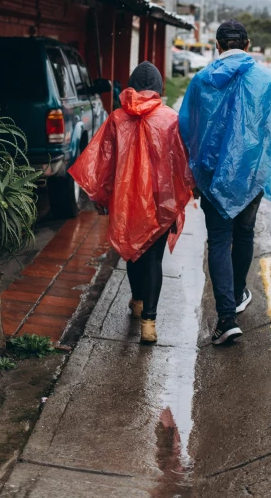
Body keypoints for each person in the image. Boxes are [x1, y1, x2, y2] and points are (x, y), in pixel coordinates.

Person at [179, 19, 271, 345]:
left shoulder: (200, 81)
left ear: (217, 46)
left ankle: (226, 317)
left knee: (218, 240)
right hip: (251, 175)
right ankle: (238, 294)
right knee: (243, 235)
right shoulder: (266, 80)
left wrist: (191, 175)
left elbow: (189, 133)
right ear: (249, 44)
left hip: (212, 177)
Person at [69, 61, 194, 345]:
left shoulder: (116, 119)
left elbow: (104, 162)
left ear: (131, 87)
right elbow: (182, 164)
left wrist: (101, 197)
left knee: (133, 253)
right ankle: (149, 322)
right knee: (154, 258)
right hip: (162, 201)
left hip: (126, 202)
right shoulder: (171, 119)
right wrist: (185, 194)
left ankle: (137, 300)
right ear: (159, 88)